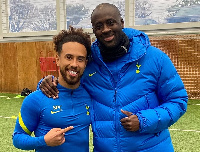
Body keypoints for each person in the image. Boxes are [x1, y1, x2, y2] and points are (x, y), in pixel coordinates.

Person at [39, 3, 188, 152]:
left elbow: (178, 100)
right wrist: (49, 82)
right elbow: (69, 81)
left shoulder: (155, 58)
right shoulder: (90, 64)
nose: (105, 29)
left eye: (111, 23)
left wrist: (144, 120)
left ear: (121, 23)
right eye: (99, 26)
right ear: (94, 31)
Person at [12, 26, 92, 152]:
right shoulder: (36, 99)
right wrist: (43, 141)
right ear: (58, 59)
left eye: (80, 59)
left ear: (85, 63)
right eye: (69, 57)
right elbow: (17, 138)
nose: (74, 64)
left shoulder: (90, 95)